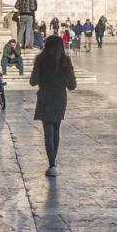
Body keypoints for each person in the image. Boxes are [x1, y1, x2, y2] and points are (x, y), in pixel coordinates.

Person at [30, 34, 76, 178]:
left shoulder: (40, 59)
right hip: (59, 98)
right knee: (56, 130)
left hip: (45, 97)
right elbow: (72, 85)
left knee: (48, 132)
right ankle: (53, 164)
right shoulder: (65, 61)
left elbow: (33, 81)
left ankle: (52, 164)